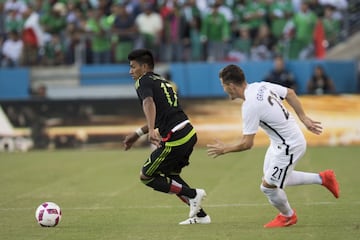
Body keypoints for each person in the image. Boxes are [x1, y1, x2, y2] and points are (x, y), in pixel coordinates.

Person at [207, 64, 340, 228]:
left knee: (268, 187)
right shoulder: (260, 86)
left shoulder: (249, 105)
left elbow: (247, 144)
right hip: (280, 143)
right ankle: (322, 178)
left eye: (224, 86)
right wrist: (303, 118)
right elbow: (290, 93)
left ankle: (288, 216)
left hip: (290, 146)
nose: (224, 89)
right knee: (273, 178)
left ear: (231, 86)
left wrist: (224, 149)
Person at [123, 49, 209, 225]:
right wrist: (138, 133)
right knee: (170, 175)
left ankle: (193, 194)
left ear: (144, 67)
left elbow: (149, 103)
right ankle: (201, 217)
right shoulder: (163, 82)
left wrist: (153, 131)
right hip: (188, 132)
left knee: (146, 176)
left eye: (133, 67)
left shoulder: (143, 81)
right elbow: (162, 114)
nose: (130, 71)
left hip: (175, 136)